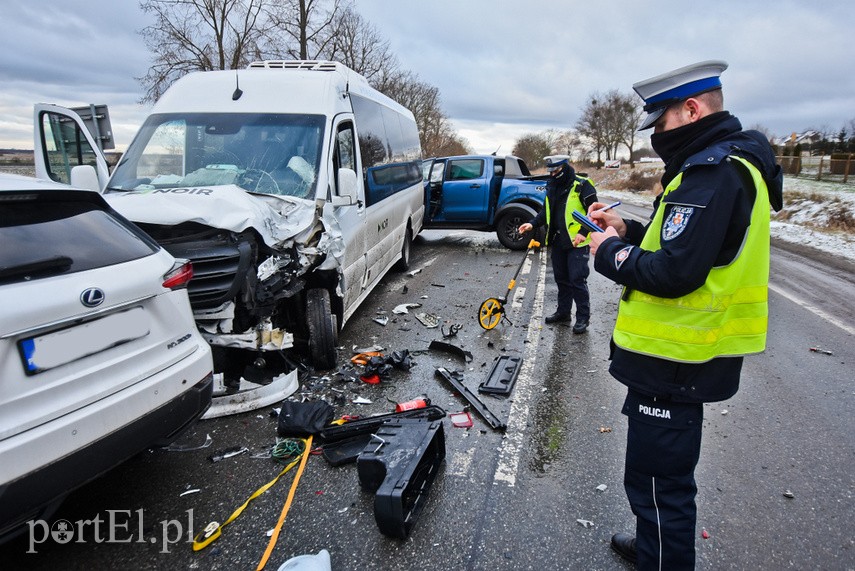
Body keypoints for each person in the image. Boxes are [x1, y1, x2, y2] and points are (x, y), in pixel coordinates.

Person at [586, 60, 783, 569]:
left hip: (676, 359)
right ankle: (655, 546)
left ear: (691, 109)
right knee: (659, 478)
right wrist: (627, 230)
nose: (657, 137)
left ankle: (662, 556)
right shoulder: (720, 166)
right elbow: (682, 241)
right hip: (679, 358)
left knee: (659, 483)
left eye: (661, 124)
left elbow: (675, 272)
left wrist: (607, 251)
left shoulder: (712, 173)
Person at [518, 156, 598, 333]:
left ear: (565, 166)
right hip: (558, 240)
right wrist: (532, 223)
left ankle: (583, 318)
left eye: (556, 171)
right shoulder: (552, 185)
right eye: (551, 171)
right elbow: (547, 211)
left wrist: (583, 232)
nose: (553, 174)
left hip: (577, 241)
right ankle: (564, 312)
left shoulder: (582, 184)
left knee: (577, 279)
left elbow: (595, 213)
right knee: (561, 279)